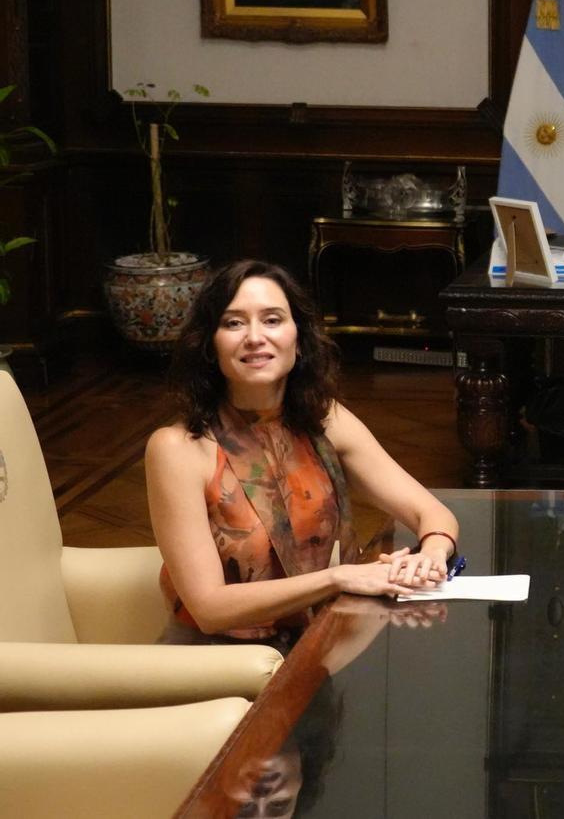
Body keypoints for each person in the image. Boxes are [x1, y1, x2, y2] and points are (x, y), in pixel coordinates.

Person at [148, 260, 461, 647]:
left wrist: (430, 554)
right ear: (209, 344)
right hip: (215, 663)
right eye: (233, 323)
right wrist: (338, 577)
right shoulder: (178, 448)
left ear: (299, 336)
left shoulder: (324, 420)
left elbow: (430, 511)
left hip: (309, 646)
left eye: (273, 320)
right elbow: (210, 609)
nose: (255, 337)